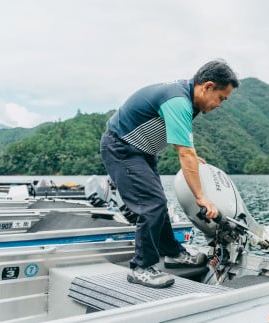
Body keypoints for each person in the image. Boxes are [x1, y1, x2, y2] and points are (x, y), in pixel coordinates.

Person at [100, 59, 240, 288]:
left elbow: (186, 148)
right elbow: (184, 153)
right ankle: (141, 267)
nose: (219, 104)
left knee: (159, 204)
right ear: (207, 86)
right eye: (221, 98)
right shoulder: (178, 101)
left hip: (142, 152)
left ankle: (172, 253)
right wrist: (201, 197)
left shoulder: (187, 99)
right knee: (151, 205)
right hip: (121, 148)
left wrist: (193, 158)